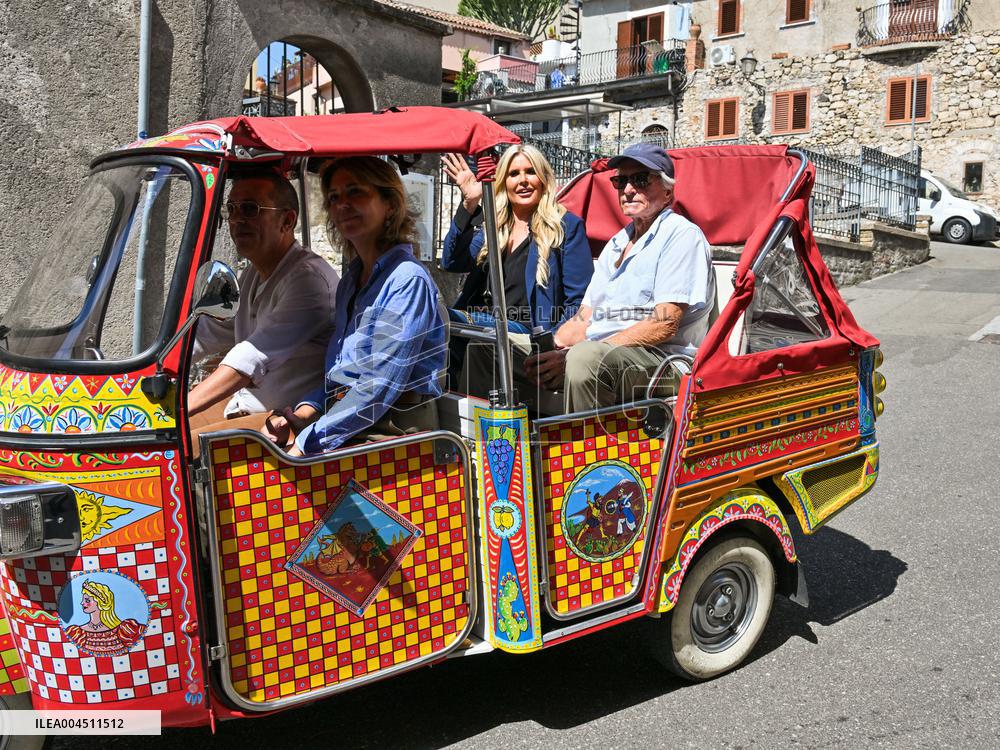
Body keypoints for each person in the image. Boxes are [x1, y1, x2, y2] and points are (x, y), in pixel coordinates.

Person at [264, 156, 446, 456]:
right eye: (334, 197)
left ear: (389, 203)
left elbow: (378, 388)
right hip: (352, 423)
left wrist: (306, 442)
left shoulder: (406, 281)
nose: (341, 205)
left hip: (395, 436)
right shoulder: (351, 281)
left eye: (355, 192)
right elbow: (342, 373)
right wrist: (305, 410)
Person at [526, 142, 715, 413]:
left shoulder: (681, 236)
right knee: (506, 349)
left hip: (663, 361)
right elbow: (586, 316)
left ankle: (588, 454)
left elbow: (664, 324)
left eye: (640, 180)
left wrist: (574, 354)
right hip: (607, 354)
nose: (628, 189)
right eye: (621, 181)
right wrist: (552, 345)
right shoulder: (617, 242)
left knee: (584, 359)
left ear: (667, 190)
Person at [440, 144, 592, 404]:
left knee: (443, 317)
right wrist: (469, 203)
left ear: (543, 179)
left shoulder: (566, 226)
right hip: (483, 325)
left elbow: (578, 299)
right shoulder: (495, 224)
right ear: (503, 182)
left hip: (526, 331)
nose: (522, 180)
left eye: (530, 172)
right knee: (440, 327)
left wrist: (556, 344)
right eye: (513, 174)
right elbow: (452, 261)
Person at [187, 169, 340, 425]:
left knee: (168, 448)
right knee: (152, 435)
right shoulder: (252, 275)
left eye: (250, 209)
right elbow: (207, 333)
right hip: (243, 410)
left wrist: (183, 406)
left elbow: (250, 358)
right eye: (231, 209)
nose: (236, 220)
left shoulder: (308, 281)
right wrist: (159, 363)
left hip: (284, 425)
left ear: (287, 221)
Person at [63, 580, 145, 656]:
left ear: (101, 604)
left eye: (87, 600)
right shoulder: (77, 633)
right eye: (83, 600)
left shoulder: (126, 630)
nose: (82, 603)